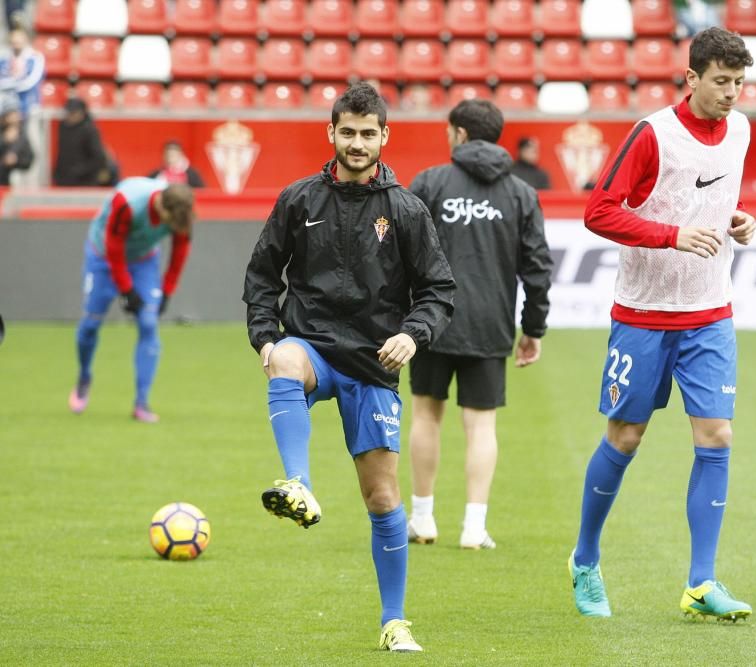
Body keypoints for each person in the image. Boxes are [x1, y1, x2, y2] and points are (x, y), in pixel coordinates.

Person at [242, 82, 455, 653]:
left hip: (372, 363)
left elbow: (438, 290)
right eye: (348, 132)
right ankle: (299, 484)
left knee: (382, 499)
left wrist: (413, 335)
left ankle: (394, 621)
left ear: (385, 136)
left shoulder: (406, 210)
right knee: (285, 357)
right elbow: (263, 274)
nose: (357, 143)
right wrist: (265, 338)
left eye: (368, 134)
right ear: (330, 133)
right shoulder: (298, 199)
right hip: (311, 346)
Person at [567, 27, 756, 622]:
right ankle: (585, 559)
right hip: (644, 316)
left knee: (717, 437)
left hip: (710, 313)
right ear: (692, 77)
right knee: (625, 438)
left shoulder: (743, 129)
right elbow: (598, 210)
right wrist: (671, 235)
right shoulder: (653, 134)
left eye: (738, 82)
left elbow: (717, 203)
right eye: (721, 81)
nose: (731, 93)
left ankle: (701, 582)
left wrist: (741, 221)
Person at [405, 100, 553, 550]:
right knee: (482, 426)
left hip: (430, 322)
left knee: (427, 415)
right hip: (490, 325)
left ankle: (423, 519)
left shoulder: (430, 183)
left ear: (461, 135)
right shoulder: (520, 193)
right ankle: (473, 527)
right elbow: (538, 269)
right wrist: (533, 328)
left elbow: (400, 256)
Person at [69, 179, 195, 423]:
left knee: (148, 324)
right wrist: (127, 290)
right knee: (91, 325)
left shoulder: (182, 213)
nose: (169, 227)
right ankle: (84, 377)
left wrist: (167, 290)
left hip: (143, 261)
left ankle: (141, 403)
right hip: (103, 258)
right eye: (168, 222)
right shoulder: (126, 203)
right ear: (161, 208)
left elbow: (180, 251)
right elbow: (114, 249)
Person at [53, 98, 115, 186]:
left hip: (85, 181)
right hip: (64, 179)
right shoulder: (63, 127)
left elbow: (98, 157)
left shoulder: (89, 130)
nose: (70, 116)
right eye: (68, 113)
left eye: (73, 113)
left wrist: (80, 171)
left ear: (82, 113)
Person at [0, 27, 45, 117]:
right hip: (6, 100)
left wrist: (11, 85)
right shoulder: (4, 58)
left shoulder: (35, 58)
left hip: (29, 100)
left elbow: (31, 81)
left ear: (26, 39)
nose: (16, 42)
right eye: (14, 40)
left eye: (19, 39)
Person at [0, 106, 34, 186]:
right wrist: (4, 140)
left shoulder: (21, 135)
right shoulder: (3, 132)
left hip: (7, 181)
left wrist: (16, 160)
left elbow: (29, 158)